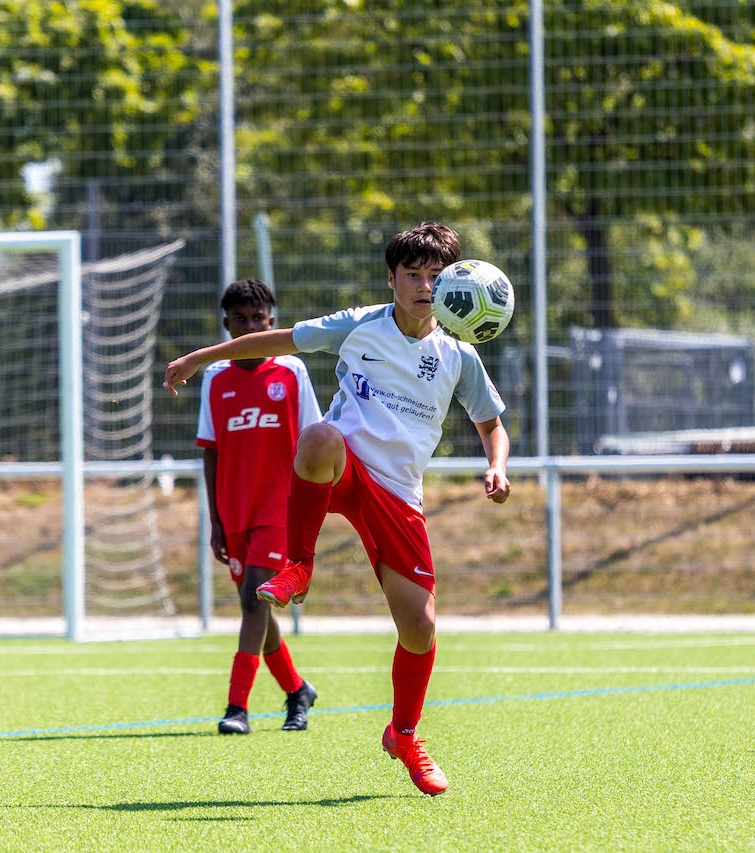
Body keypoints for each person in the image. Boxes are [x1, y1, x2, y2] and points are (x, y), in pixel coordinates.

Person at [165, 222, 511, 795]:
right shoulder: (359, 325)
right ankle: (299, 564)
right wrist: (202, 358)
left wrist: (497, 466)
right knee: (319, 435)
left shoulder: (458, 353)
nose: (424, 287)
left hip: (397, 495)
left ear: (452, 283)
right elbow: (274, 342)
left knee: (420, 629)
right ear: (391, 279)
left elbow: (492, 425)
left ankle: (404, 736)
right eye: (412, 275)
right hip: (341, 468)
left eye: (435, 276)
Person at [197, 278, 323, 735]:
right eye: (240, 320)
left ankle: (237, 708)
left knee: (255, 598)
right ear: (226, 325)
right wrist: (215, 521)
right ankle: (297, 691)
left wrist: (312, 510)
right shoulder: (214, 377)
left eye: (258, 319)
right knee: (257, 609)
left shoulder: (291, 371)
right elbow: (210, 452)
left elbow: (314, 438)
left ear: (272, 322)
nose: (250, 327)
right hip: (234, 511)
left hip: (279, 509)